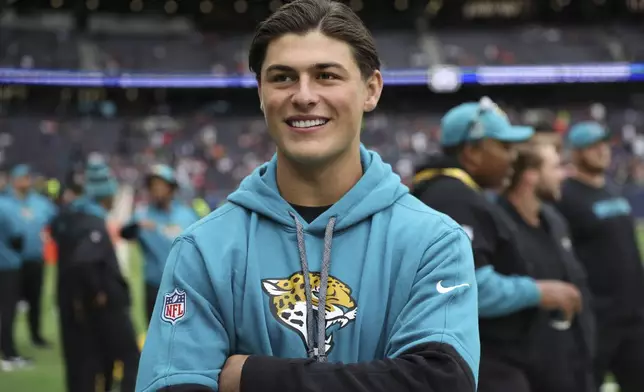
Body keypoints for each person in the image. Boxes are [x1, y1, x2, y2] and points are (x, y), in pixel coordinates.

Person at [136, 1, 480, 391]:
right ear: (262, 93)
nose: (303, 95)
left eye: (326, 76)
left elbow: (441, 382)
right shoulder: (203, 249)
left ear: (371, 89)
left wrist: (255, 377)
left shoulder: (434, 242)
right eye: (282, 77)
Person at [412, 98, 582, 392]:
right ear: (472, 152)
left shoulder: (444, 191)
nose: (512, 157)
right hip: (486, 362)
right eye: (503, 147)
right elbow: (464, 287)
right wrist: (539, 292)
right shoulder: (454, 197)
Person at [499, 141, 595, 392]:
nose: (563, 174)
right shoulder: (498, 224)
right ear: (531, 175)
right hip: (528, 372)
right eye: (555, 167)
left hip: (573, 364)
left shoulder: (554, 220)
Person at [555, 121, 644, 392]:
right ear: (577, 153)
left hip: (633, 315)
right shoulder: (565, 195)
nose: (603, 151)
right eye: (593, 147)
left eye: (604, 144)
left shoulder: (613, 189)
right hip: (597, 317)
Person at [51, 158, 140, 392]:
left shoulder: (71, 215)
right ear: (105, 195)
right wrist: (97, 292)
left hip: (76, 307)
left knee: (89, 364)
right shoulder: (92, 223)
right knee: (130, 358)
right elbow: (85, 260)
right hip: (103, 306)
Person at [120, 164, 199, 322]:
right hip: (155, 285)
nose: (157, 191)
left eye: (161, 186)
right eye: (153, 186)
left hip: (182, 285)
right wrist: (137, 225)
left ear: (171, 188)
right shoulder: (143, 214)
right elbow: (124, 233)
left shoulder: (186, 215)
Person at [5, 164, 57, 347]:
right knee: (9, 304)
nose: (25, 181)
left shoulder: (40, 203)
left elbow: (56, 220)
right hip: (12, 262)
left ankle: (36, 334)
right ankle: (7, 341)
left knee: (35, 300)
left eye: (27, 177)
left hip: (35, 259)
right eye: (21, 178)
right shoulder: (5, 203)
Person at [0, 196, 30, 371]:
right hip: (7, 265)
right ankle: (8, 353)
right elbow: (17, 237)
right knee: (7, 310)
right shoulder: (6, 206)